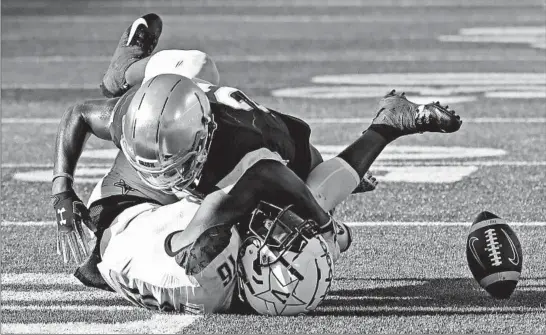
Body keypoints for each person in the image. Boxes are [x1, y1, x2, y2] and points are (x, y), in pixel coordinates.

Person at [86, 73, 462, 314]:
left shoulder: (201, 257)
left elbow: (265, 175)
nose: (275, 238)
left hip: (127, 210)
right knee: (304, 208)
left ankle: (126, 72)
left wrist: (323, 222)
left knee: (195, 65)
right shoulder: (215, 280)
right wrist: (327, 230)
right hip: (153, 232)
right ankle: (385, 126)